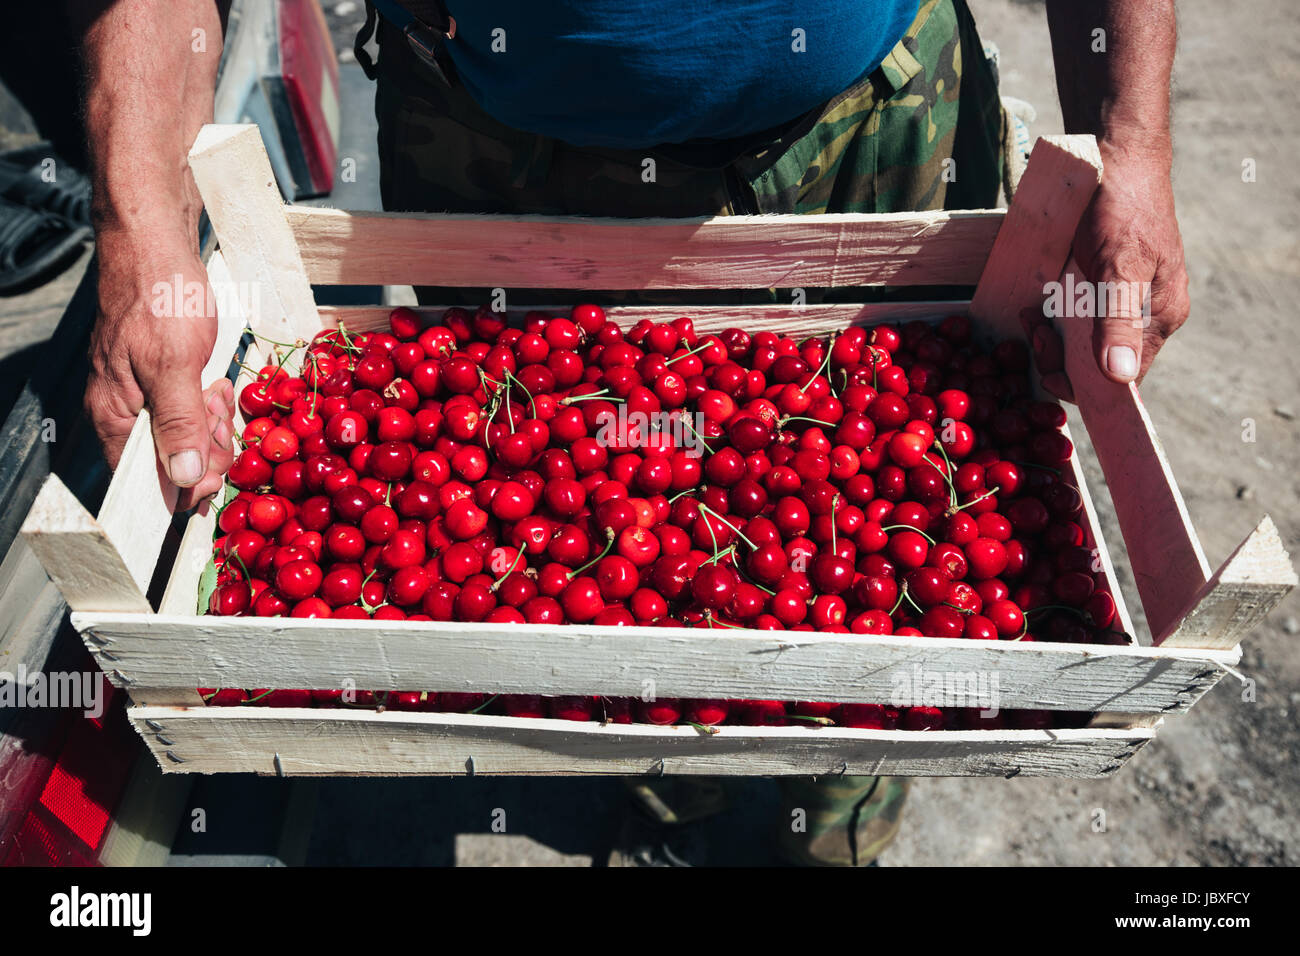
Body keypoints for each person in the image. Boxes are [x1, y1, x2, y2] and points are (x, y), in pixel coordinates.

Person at [73, 0, 1189, 865]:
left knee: (879, 689)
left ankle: (819, 830)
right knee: (623, 653)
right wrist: (138, 218)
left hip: (874, 108)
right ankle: (674, 790)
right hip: (491, 127)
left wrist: (1131, 144)